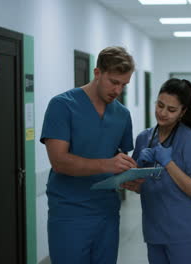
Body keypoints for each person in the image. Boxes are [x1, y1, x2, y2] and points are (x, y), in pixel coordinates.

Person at [40, 46, 141, 264]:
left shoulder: (122, 114)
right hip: (70, 213)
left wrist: (130, 175)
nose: (118, 91)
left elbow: (119, 157)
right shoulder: (63, 106)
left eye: (124, 85)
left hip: (107, 211)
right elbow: (59, 161)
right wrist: (108, 165)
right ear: (97, 73)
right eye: (114, 82)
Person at [122, 78, 191, 264]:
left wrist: (168, 163)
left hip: (185, 234)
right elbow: (140, 187)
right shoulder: (144, 138)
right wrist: (130, 180)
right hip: (155, 231)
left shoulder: (190, 140)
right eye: (159, 105)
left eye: (171, 110)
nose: (162, 113)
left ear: (182, 112)